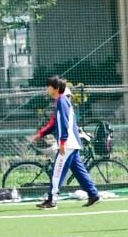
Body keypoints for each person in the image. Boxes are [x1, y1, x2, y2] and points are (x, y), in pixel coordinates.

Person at [34, 75, 101, 209]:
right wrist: (41, 134)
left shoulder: (61, 101)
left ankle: (52, 200)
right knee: (79, 171)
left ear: (56, 88)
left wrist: (63, 143)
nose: (47, 89)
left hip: (68, 144)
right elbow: (55, 123)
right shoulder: (61, 101)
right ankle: (93, 194)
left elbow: (64, 123)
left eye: (48, 86)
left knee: (57, 172)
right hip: (72, 143)